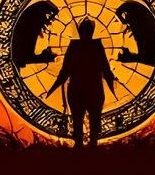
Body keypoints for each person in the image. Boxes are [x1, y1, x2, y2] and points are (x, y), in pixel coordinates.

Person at [49, 18, 118, 147]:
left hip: (83, 88)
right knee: (83, 118)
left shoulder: (79, 46)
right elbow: (106, 69)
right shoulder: (92, 46)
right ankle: (86, 143)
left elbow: (65, 70)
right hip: (88, 88)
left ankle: (87, 143)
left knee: (87, 118)